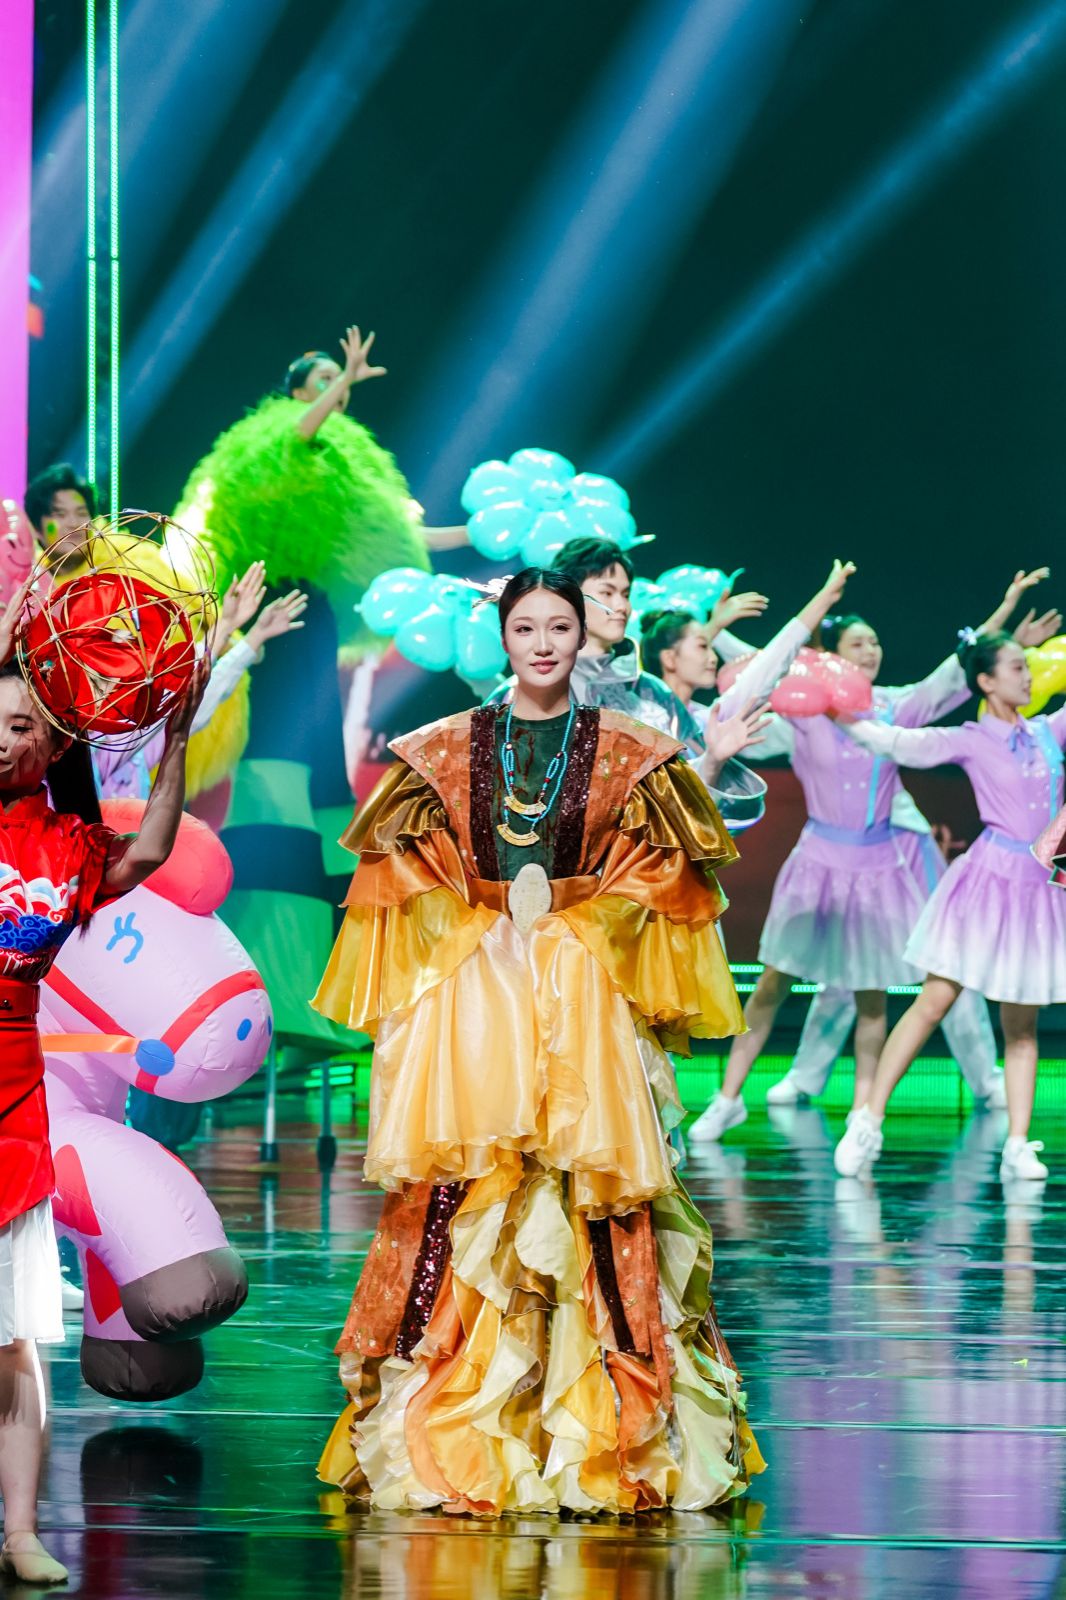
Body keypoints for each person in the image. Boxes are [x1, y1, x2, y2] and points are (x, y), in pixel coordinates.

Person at [313, 567, 762, 1514]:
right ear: (504, 637)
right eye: (527, 628)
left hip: (582, 1000)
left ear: (583, 634)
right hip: (482, 1003)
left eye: (560, 626)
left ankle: (602, 1436)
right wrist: (482, 927)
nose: (545, 643)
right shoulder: (445, 749)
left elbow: (662, 878)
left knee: (590, 1188)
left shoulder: (629, 752)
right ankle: (466, 1429)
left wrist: (573, 927)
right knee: (475, 1187)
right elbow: (401, 876)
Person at [689, 570, 1049, 1144]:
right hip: (818, 863)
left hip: (878, 867)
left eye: (875, 642)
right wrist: (715, 635)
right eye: (858, 644)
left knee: (872, 994)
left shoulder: (894, 706)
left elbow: (954, 673)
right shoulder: (802, 712)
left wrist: (1003, 612)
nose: (871, 651)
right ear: (831, 656)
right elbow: (764, 669)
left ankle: (863, 1113)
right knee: (774, 983)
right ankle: (728, 1098)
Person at [0, 583, 206, 1585]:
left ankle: (21, 1533)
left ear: (54, 745)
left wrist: (177, 737)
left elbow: (153, 848)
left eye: (21, 726)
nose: (3, 740)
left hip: (12, 1100)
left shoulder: (66, 846)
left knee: (14, 1343)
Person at [833, 630, 1066, 1184]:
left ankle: (1017, 1143)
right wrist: (835, 715)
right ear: (986, 681)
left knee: (1022, 1023)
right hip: (988, 882)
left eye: (1027, 666)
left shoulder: (1047, 731)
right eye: (1016, 667)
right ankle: (867, 1119)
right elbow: (894, 742)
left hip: (1036, 887)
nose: (1028, 675)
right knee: (934, 1001)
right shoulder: (970, 739)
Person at [485, 537, 769, 807]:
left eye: (625, 594)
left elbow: (686, 805)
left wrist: (713, 761)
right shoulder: (521, 693)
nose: (621, 606)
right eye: (607, 593)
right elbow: (488, 794)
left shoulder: (652, 693)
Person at [641, 559, 857, 832]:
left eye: (711, 647)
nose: (712, 658)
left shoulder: (709, 719)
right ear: (669, 658)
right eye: (703, 646)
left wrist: (825, 598)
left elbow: (770, 664)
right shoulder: (638, 718)